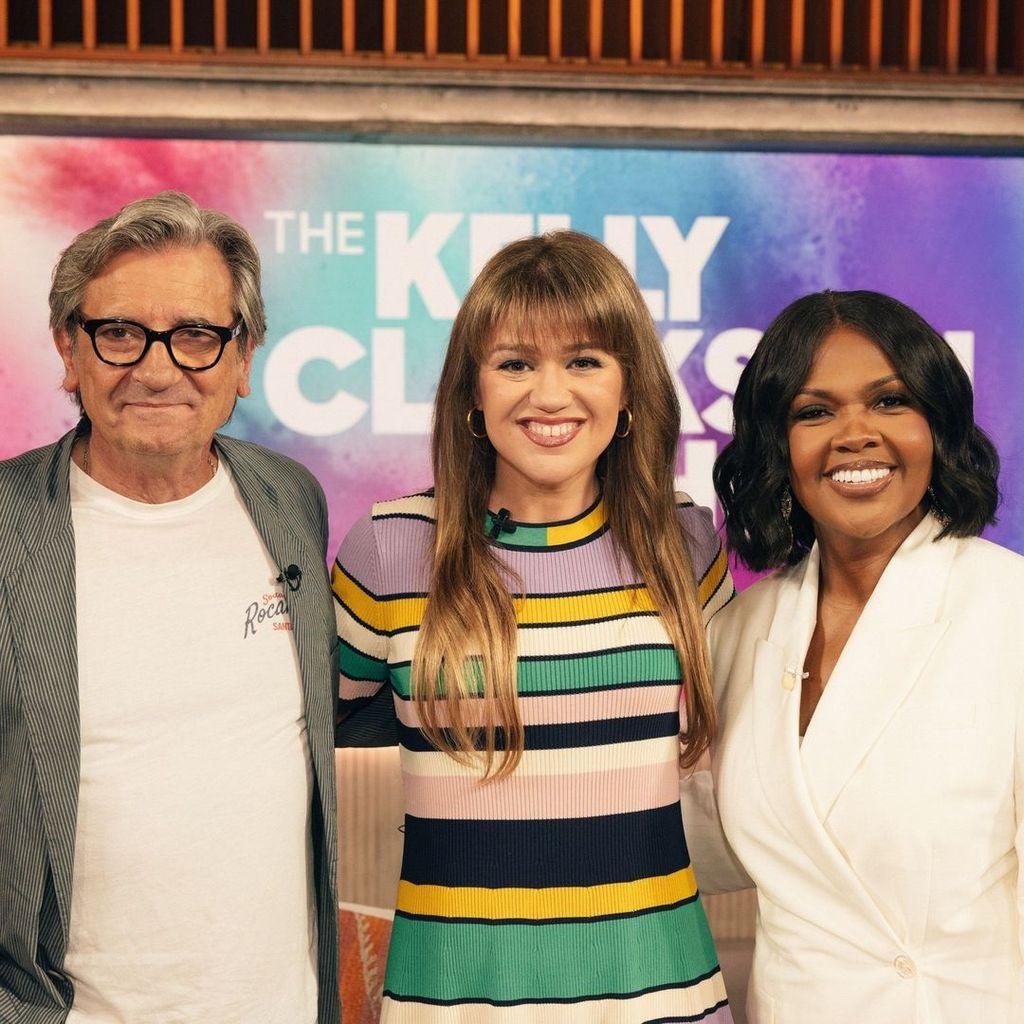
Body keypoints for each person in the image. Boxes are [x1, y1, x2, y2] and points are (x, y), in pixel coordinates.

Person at [333, 230, 736, 1022]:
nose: (550, 395)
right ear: (472, 394)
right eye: (516, 362)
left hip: (664, 1000)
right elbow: (313, 729)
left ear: (628, 391)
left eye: (584, 360)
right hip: (454, 1003)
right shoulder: (391, 545)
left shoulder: (684, 539)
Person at [0, 191, 339, 1024]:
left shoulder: (289, 499)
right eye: (119, 333)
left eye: (195, 336)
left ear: (243, 356)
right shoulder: (8, 527)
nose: (157, 369)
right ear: (69, 350)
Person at [681, 289, 1023, 1022]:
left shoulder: (1010, 610)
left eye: (890, 402)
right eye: (814, 411)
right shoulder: (737, 631)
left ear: (939, 427)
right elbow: (705, 850)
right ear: (779, 447)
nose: (855, 434)